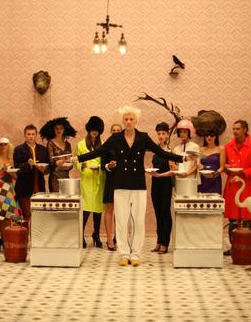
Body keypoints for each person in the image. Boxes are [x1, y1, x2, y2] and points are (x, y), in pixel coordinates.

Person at [72, 105, 191, 267]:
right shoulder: (116, 138)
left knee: (138, 222)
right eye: (126, 119)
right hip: (120, 184)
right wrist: (78, 158)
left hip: (138, 184)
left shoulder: (143, 137)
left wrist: (182, 158)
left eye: (131, 119)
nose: (128, 121)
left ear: (136, 121)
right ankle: (124, 253)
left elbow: (160, 152)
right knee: (121, 221)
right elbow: (98, 152)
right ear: (123, 121)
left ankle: (135, 254)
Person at [223, 120, 251, 255]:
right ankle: (234, 247)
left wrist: (244, 172)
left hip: (247, 186)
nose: (235, 131)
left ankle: (247, 247)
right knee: (233, 218)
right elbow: (225, 165)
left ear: (245, 130)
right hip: (232, 185)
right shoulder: (228, 146)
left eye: (238, 129)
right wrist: (226, 168)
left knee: (247, 216)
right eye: (233, 129)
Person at [74, 116, 106, 248]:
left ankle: (96, 235)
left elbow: (105, 161)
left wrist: (99, 167)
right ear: (89, 129)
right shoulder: (80, 144)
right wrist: (82, 165)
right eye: (92, 129)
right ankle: (80, 235)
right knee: (85, 209)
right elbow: (75, 161)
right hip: (86, 180)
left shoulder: (103, 144)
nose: (94, 132)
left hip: (99, 179)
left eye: (97, 130)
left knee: (98, 210)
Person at [13, 124, 49, 230]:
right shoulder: (19, 149)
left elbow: (47, 169)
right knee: (26, 215)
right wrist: (28, 165)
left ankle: (36, 238)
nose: (31, 136)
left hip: (39, 186)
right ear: (25, 135)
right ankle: (24, 237)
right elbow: (17, 168)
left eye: (33, 134)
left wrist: (43, 169)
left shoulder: (43, 149)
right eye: (28, 134)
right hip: (24, 187)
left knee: (39, 215)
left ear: (36, 135)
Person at [147, 122, 176, 254]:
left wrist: (159, 175)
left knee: (165, 213)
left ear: (167, 135)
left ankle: (165, 243)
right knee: (158, 213)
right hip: (155, 184)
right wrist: (149, 170)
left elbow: (172, 171)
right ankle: (159, 241)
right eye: (159, 133)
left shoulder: (169, 152)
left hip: (165, 184)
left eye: (163, 133)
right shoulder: (156, 150)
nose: (161, 136)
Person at [40, 117, 76, 192]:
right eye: (56, 128)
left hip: (66, 177)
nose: (58, 130)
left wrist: (69, 162)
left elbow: (71, 164)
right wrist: (57, 163)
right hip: (55, 178)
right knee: (56, 198)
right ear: (53, 130)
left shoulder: (68, 144)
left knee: (66, 198)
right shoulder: (50, 143)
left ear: (64, 129)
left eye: (61, 128)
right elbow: (51, 163)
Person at [102, 123, 122, 251]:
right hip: (111, 180)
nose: (115, 132)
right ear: (110, 132)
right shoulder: (107, 146)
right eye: (113, 130)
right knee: (109, 209)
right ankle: (109, 240)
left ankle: (119, 238)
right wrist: (108, 166)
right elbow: (102, 165)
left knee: (121, 212)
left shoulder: (126, 146)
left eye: (118, 130)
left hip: (123, 182)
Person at [198, 127, 225, 194]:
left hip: (215, 180)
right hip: (203, 179)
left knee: (215, 199)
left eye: (211, 135)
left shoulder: (220, 148)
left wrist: (213, 175)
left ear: (215, 137)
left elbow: (222, 167)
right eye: (207, 135)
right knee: (202, 199)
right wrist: (200, 167)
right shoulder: (200, 149)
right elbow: (198, 165)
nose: (209, 137)